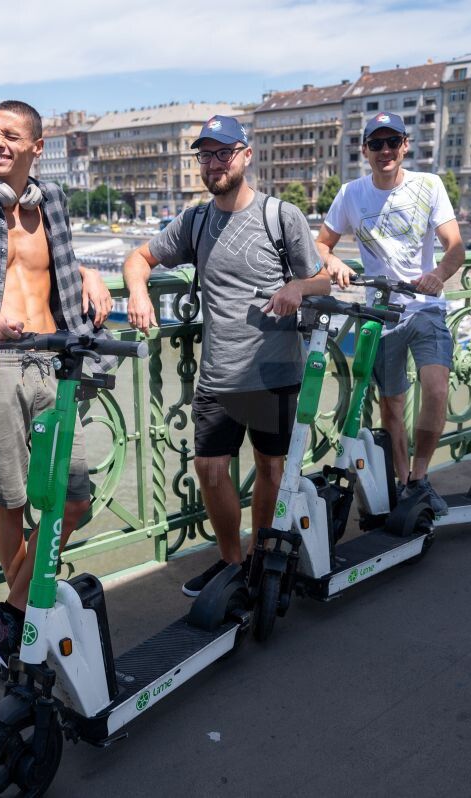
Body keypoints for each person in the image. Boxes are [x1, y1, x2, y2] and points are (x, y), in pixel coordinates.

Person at [0, 100, 114, 676]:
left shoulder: (52, 200)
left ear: (36, 145)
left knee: (74, 495)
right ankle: (26, 623)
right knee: (10, 498)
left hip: (57, 360)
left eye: (10, 135)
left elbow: (58, 261)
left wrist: (88, 273)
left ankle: (9, 610)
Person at [123, 115, 330, 596]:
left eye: (223, 153)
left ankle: (260, 555)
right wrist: (138, 293)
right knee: (210, 469)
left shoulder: (282, 216)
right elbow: (139, 258)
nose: (214, 164)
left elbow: (320, 279)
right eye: (205, 155)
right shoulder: (195, 221)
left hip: (276, 368)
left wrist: (298, 286)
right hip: (219, 373)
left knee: (272, 468)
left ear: (245, 156)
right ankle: (230, 561)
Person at [314, 111, 465, 514]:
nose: (385, 151)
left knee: (435, 390)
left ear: (405, 145)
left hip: (424, 307)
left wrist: (437, 275)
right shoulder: (351, 194)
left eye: (392, 142)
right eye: (376, 144)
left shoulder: (428, 185)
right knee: (391, 406)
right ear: (365, 150)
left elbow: (455, 247)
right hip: (380, 313)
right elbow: (321, 245)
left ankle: (420, 475)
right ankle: (402, 482)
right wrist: (334, 265)